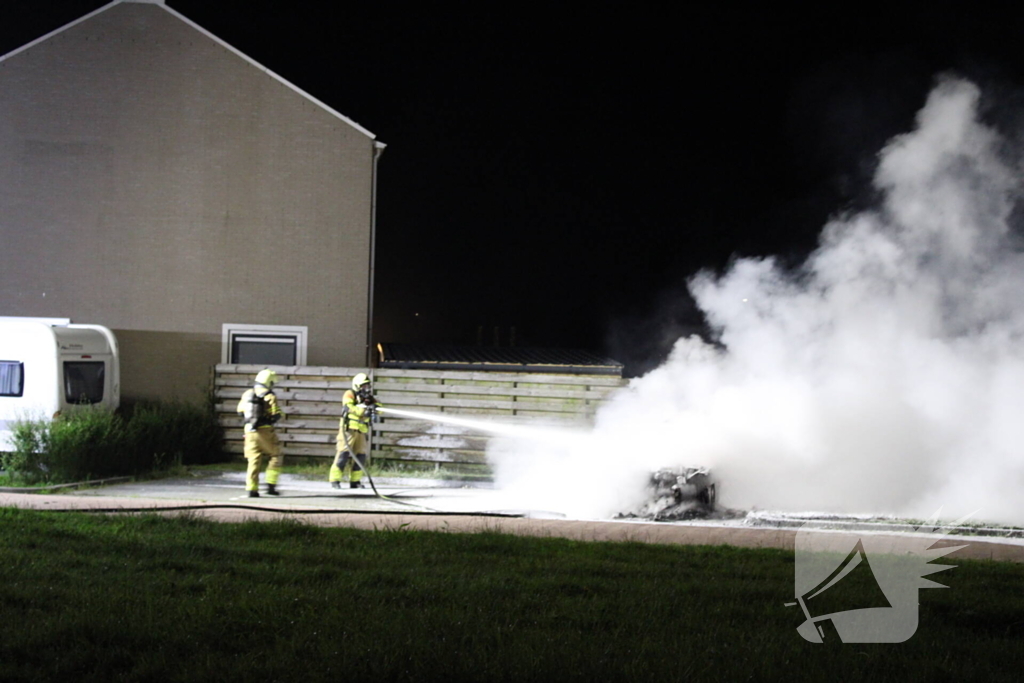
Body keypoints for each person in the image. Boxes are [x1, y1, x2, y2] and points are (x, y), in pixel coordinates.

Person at [236, 368, 285, 498]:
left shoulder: (247, 394)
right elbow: (276, 415)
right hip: (265, 432)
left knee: (253, 460)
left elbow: (240, 411)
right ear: (269, 382)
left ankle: (251, 489)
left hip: (249, 432)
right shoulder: (270, 396)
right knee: (276, 455)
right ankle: (271, 485)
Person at [330, 372, 379, 489]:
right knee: (343, 454)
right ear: (357, 386)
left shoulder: (368, 398)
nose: (366, 388)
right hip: (349, 430)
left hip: (361, 431)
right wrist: (364, 411)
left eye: (367, 385)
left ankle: (355, 481)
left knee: (361, 455)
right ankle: (335, 480)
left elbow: (379, 407)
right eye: (364, 386)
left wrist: (375, 407)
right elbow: (349, 407)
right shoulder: (349, 394)